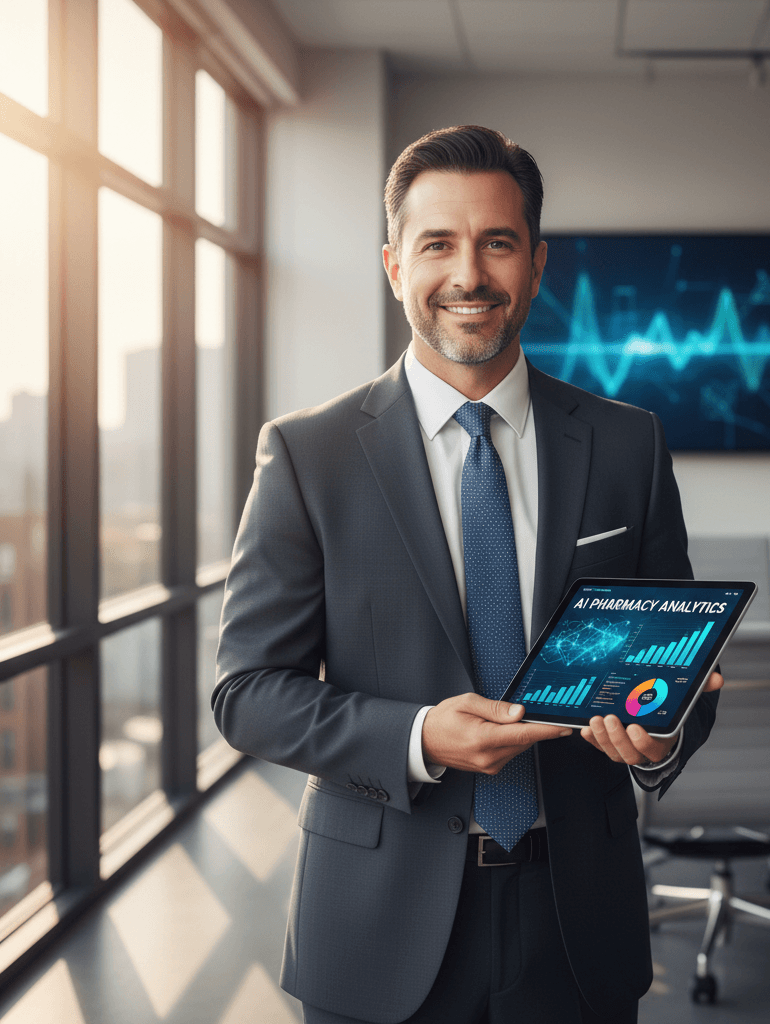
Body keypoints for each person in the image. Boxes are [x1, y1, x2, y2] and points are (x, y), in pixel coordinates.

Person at [214, 125, 723, 1024]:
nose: (469, 275)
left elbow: (682, 665)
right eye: (437, 243)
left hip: (578, 918)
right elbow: (249, 693)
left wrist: (664, 733)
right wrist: (418, 736)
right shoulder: (308, 453)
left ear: (536, 262)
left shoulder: (626, 444)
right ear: (392, 264)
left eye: (497, 242)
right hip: (376, 918)